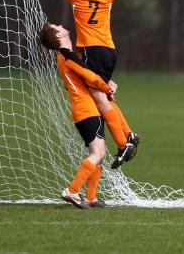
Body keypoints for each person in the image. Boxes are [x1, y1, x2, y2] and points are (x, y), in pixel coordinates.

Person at [42, 0, 139, 165]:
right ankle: (128, 136)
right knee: (104, 96)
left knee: (100, 98)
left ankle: (125, 142)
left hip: (91, 51)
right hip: (109, 50)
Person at [37, 22, 138, 208]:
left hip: (86, 109)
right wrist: (106, 87)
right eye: (57, 27)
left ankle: (91, 198)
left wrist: (107, 85)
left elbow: (89, 77)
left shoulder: (71, 55)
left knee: (97, 153)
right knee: (98, 152)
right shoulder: (67, 56)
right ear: (58, 36)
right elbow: (90, 77)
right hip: (85, 110)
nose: (60, 25)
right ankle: (72, 191)